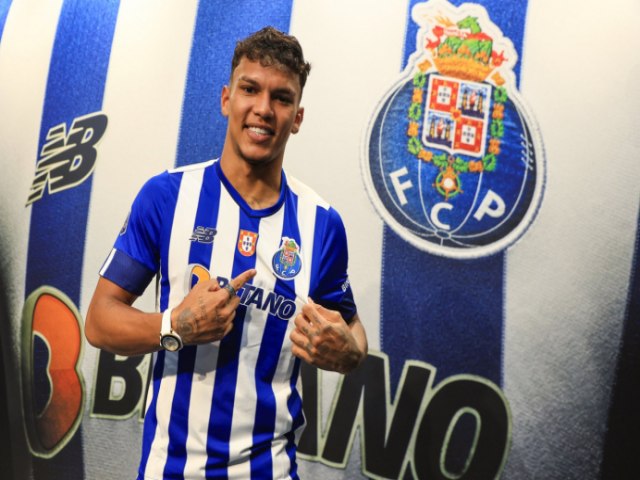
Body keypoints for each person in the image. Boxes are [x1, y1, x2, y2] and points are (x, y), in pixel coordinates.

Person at [85, 26, 367, 480]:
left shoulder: (322, 224)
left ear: (297, 117)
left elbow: (352, 332)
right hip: (171, 469)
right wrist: (173, 326)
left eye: (281, 97)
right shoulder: (167, 196)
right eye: (250, 89)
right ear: (225, 99)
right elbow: (99, 321)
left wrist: (348, 354)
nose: (263, 109)